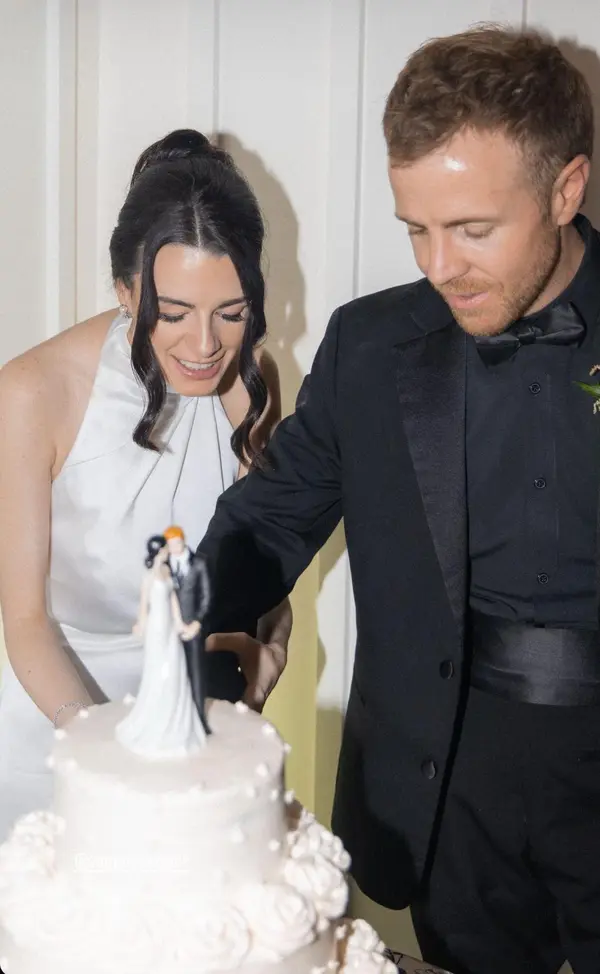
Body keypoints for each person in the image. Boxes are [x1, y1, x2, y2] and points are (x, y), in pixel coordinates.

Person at [196, 26, 600, 974]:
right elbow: (269, 518)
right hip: (447, 789)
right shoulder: (371, 346)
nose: (437, 266)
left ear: (566, 190)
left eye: (472, 229)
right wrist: (196, 643)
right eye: (416, 229)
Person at [0, 129, 291, 840]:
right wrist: (108, 758)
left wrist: (267, 648)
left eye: (232, 313)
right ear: (127, 291)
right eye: (175, 313)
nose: (205, 346)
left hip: (193, 735)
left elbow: (261, 568)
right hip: (48, 728)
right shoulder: (32, 392)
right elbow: (26, 622)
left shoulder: (253, 384)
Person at [115, 534, 207, 757]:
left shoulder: (167, 572)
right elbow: (144, 605)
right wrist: (141, 624)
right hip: (156, 626)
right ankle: (156, 715)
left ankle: (175, 717)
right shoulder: (149, 576)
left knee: (175, 666)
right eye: (165, 549)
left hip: (169, 627)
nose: (168, 552)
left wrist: (179, 623)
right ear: (159, 552)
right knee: (159, 668)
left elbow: (173, 600)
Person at [164, 523, 212, 734]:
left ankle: (199, 718)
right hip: (170, 628)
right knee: (174, 672)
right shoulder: (164, 566)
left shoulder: (198, 564)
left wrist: (197, 622)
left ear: (182, 541)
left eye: (177, 543)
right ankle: (175, 718)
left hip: (192, 627)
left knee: (195, 672)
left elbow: (206, 597)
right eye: (170, 544)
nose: (174, 547)